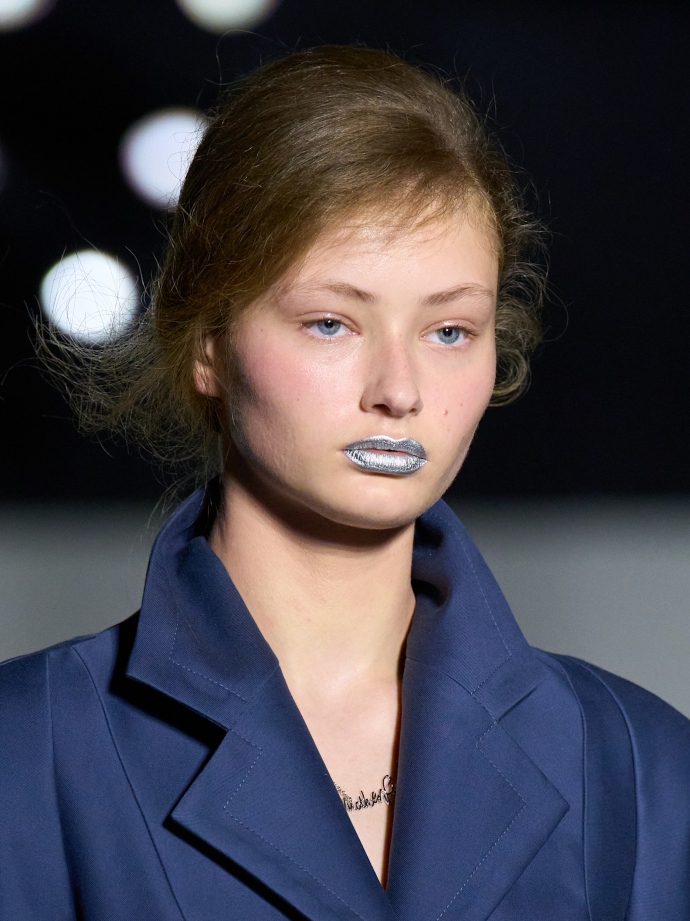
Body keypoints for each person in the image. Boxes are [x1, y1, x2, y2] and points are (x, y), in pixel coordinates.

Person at [1, 45, 688, 921]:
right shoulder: (29, 758)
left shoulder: (637, 770)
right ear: (208, 344)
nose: (399, 390)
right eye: (332, 322)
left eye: (449, 330)